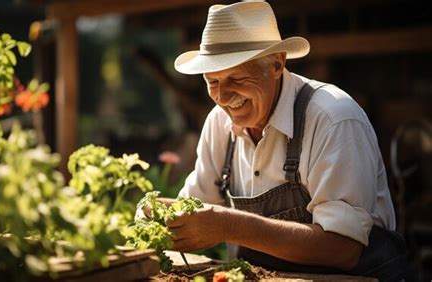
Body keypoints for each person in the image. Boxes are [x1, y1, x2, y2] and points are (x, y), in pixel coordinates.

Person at [159, 1, 406, 280]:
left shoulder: (333, 118)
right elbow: (196, 208)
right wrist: (159, 217)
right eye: (212, 82)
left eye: (236, 78)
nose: (224, 97)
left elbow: (343, 248)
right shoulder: (218, 123)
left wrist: (228, 225)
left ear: (277, 64)